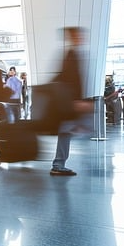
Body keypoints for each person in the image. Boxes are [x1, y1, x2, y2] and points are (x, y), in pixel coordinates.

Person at [50, 26, 89, 176]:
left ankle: (59, 163)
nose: (81, 38)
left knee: (66, 130)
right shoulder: (71, 54)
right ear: (73, 37)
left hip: (70, 100)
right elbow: (70, 79)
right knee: (66, 130)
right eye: (78, 36)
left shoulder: (73, 54)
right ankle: (58, 164)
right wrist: (76, 100)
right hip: (70, 101)